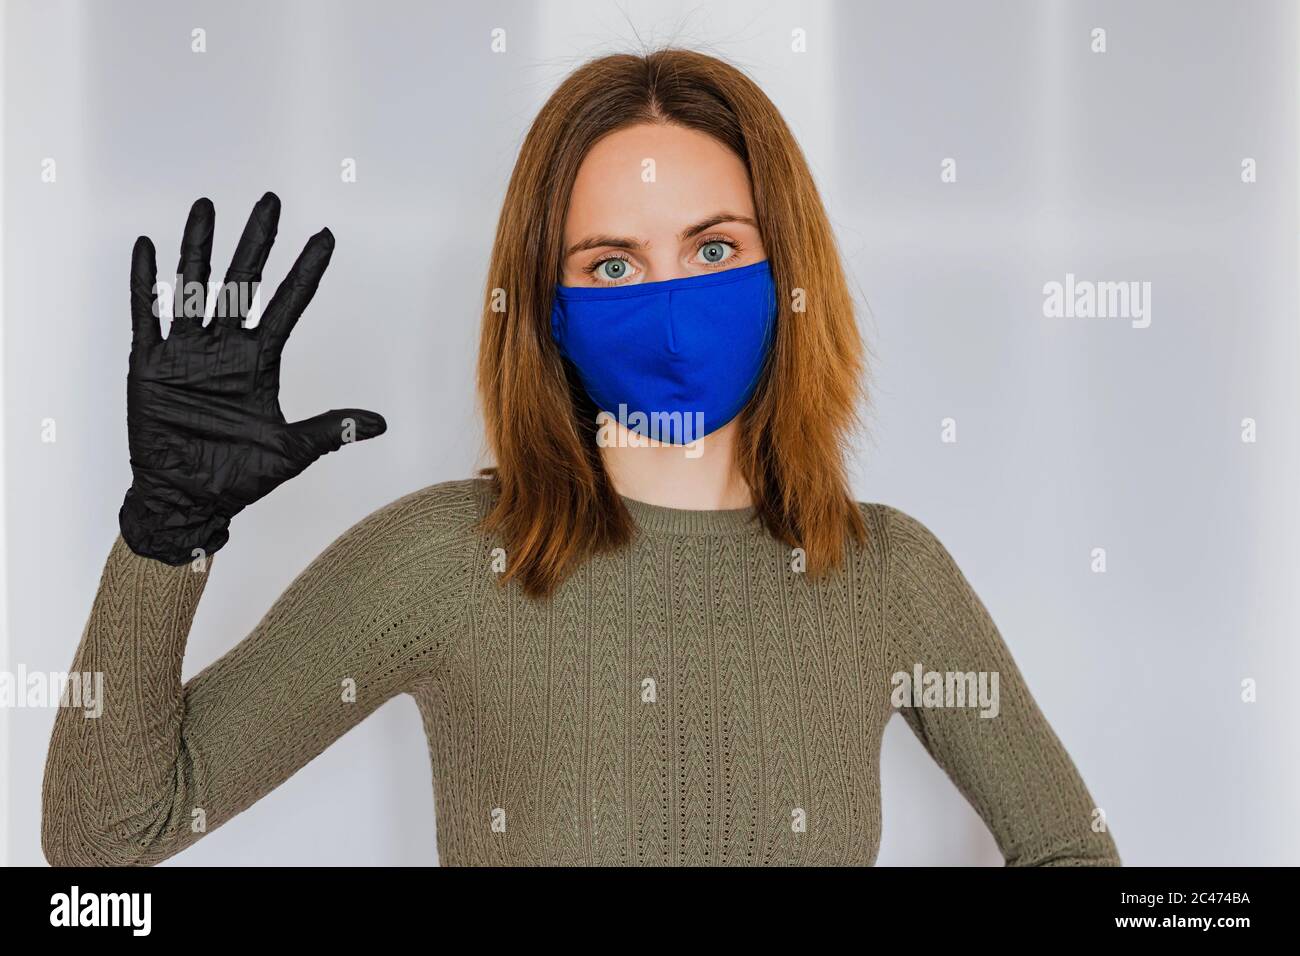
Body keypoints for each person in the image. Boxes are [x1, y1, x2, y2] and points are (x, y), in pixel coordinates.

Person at [40, 48, 1120, 867]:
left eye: (713, 248)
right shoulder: (448, 562)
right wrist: (164, 534)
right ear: (547, 310)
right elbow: (105, 837)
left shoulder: (885, 572)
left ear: (788, 268)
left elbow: (1076, 853)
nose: (668, 305)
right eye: (612, 264)